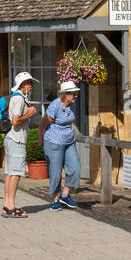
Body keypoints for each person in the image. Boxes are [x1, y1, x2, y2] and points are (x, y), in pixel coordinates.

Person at [2, 72, 38, 219]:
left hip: (11, 138)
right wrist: (31, 113)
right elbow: (15, 121)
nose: (32, 86)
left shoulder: (16, 97)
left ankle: (7, 205)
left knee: (11, 173)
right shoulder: (19, 99)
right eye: (30, 83)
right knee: (16, 174)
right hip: (17, 139)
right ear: (24, 84)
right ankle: (10, 206)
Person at [42, 80, 81, 210]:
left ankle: (65, 195)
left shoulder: (71, 105)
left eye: (76, 94)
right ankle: (54, 199)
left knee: (75, 167)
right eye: (73, 94)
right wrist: (41, 140)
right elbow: (43, 124)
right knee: (55, 172)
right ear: (65, 94)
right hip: (53, 142)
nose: (76, 96)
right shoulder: (55, 106)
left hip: (69, 142)